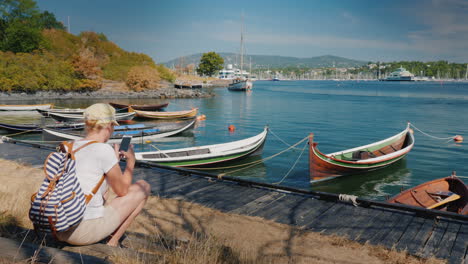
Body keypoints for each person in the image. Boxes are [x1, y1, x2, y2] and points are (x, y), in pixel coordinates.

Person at [56, 103, 151, 246]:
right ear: (108, 127)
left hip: (56, 226)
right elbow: (122, 191)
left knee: (103, 197)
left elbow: (96, 188)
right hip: (80, 232)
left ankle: (108, 239)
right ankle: (112, 243)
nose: (112, 130)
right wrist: (131, 162)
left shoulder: (68, 146)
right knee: (143, 187)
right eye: (113, 126)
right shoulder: (103, 149)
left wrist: (113, 164)